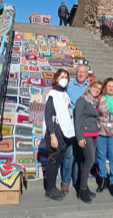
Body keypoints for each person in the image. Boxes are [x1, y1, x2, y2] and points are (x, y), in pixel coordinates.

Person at [43, 69, 75, 201]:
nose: (64, 79)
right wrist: (52, 135)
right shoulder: (53, 94)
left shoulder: (65, 95)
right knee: (53, 161)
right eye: (62, 76)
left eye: (66, 77)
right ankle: (49, 189)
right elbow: (48, 116)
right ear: (56, 78)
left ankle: (54, 187)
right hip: (55, 133)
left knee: (56, 162)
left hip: (63, 135)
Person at [75, 80, 104, 203]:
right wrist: (79, 137)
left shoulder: (96, 102)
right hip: (85, 134)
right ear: (90, 87)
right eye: (95, 87)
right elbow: (78, 119)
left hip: (94, 134)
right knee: (90, 161)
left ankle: (84, 187)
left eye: (99, 89)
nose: (96, 90)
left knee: (85, 161)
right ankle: (81, 190)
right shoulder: (83, 100)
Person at [62, 64, 89, 193]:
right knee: (68, 155)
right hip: (69, 126)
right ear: (76, 72)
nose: (81, 74)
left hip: (82, 127)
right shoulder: (69, 85)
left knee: (79, 156)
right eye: (79, 72)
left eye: (83, 72)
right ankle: (65, 182)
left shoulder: (89, 87)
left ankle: (77, 180)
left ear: (86, 74)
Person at [96, 78, 113, 197]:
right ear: (105, 87)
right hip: (101, 132)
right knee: (101, 155)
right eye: (109, 86)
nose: (111, 88)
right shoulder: (100, 99)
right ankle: (103, 179)